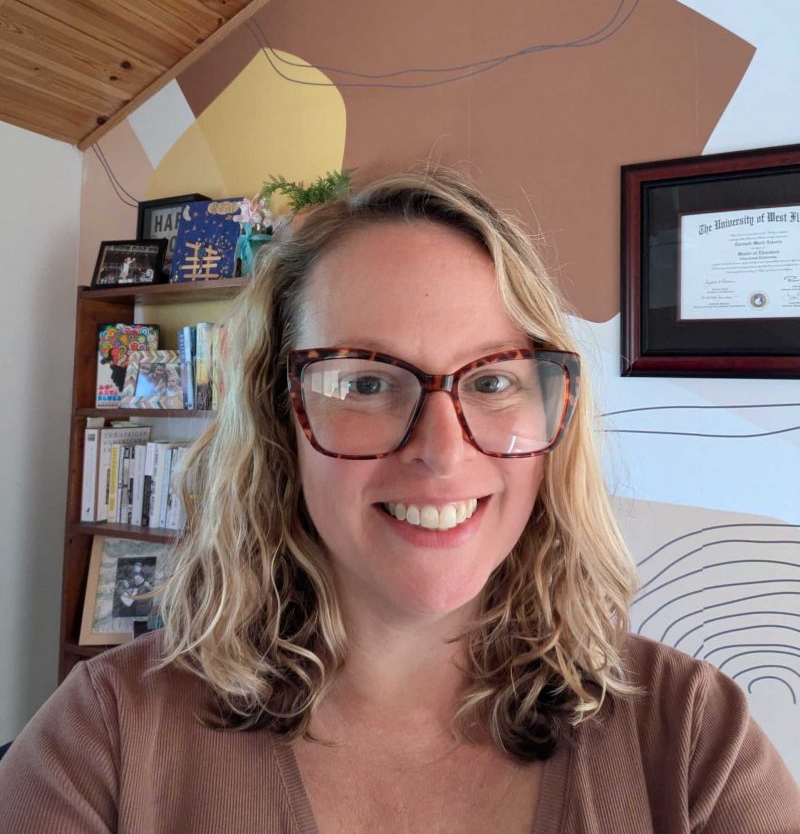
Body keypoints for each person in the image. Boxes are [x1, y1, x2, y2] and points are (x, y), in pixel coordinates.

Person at [0, 169, 798, 833]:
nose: (442, 452)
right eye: (367, 382)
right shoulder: (108, 737)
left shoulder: (693, 741)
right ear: (282, 421)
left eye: (492, 380)